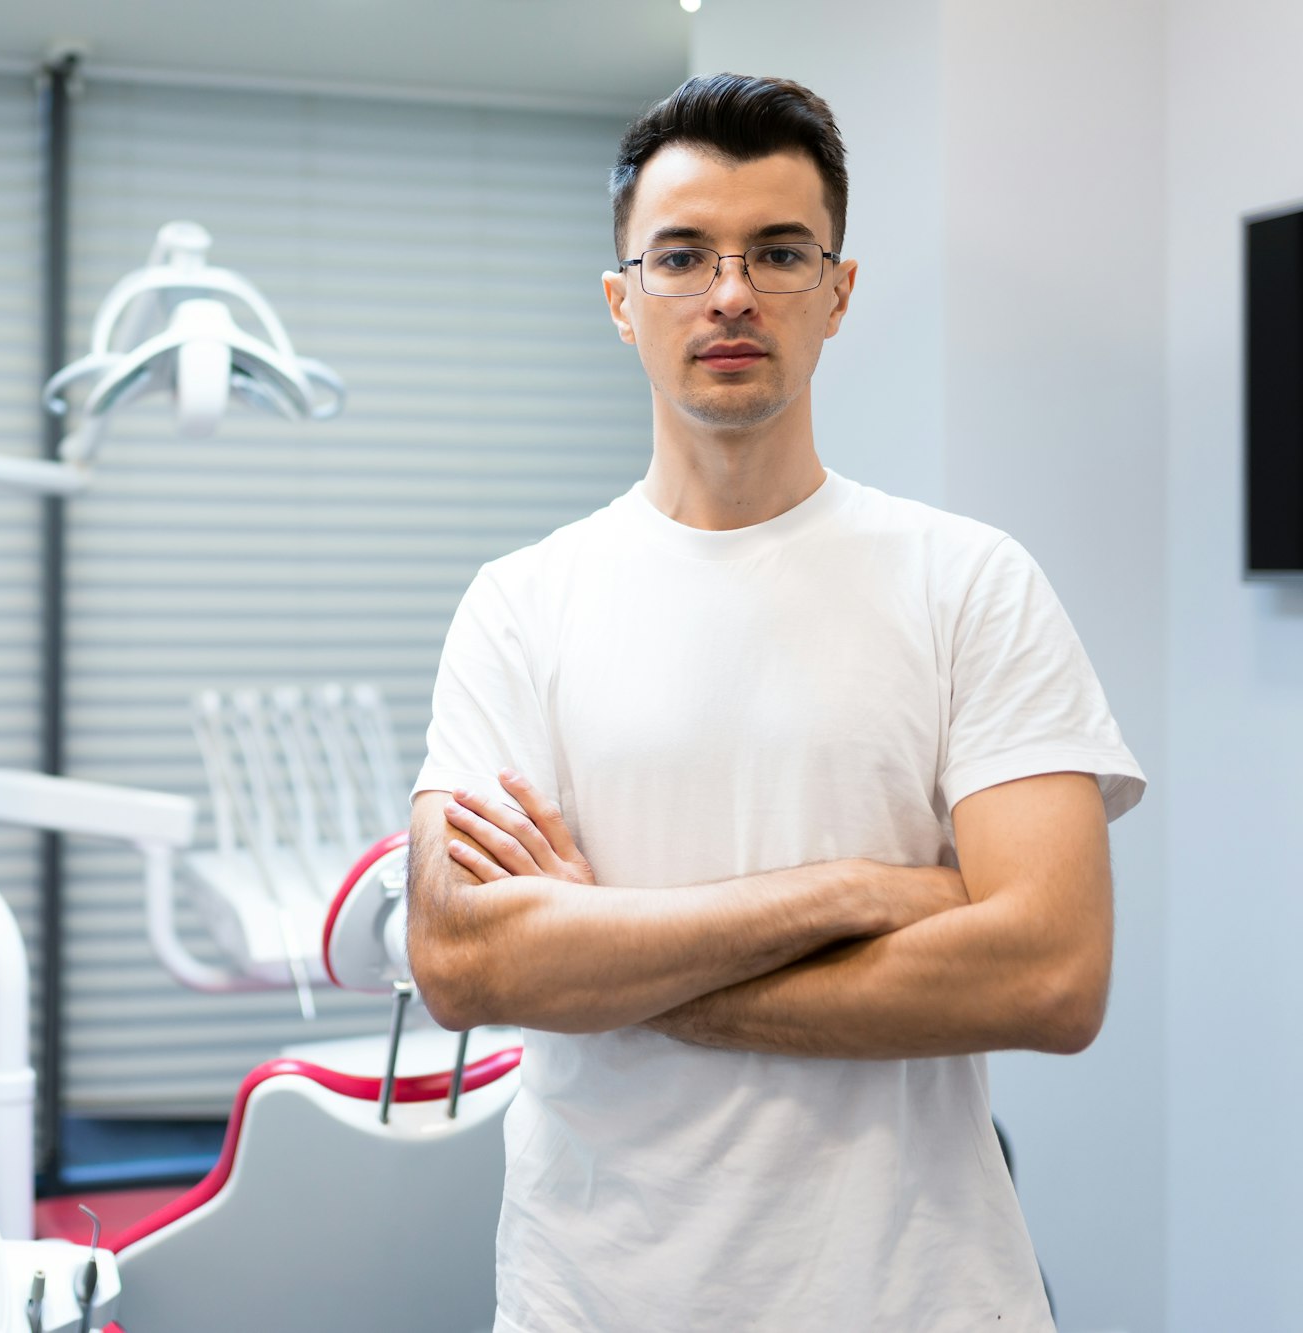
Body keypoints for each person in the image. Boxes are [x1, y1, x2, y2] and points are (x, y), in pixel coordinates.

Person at [405, 72, 1144, 1332]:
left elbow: (1049, 976)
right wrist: (857, 892)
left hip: (916, 1297)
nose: (730, 290)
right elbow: (463, 959)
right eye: (681, 255)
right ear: (620, 302)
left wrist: (612, 963)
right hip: (596, 1297)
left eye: (778, 251)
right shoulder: (521, 602)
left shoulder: (968, 581)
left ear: (837, 292)